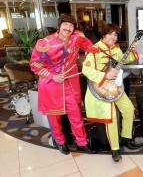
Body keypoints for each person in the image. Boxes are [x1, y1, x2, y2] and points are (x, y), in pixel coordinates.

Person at [30, 13, 95, 155]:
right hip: (51, 86)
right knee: (54, 118)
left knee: (76, 115)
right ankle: (59, 142)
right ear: (59, 26)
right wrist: (53, 76)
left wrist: (87, 62)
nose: (68, 28)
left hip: (70, 83)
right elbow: (35, 65)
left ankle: (81, 142)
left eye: (71, 25)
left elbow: (90, 48)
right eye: (65, 24)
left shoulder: (77, 38)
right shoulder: (44, 44)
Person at [82, 23, 139, 162]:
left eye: (115, 35)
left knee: (129, 109)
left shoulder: (116, 48)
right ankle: (115, 149)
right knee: (111, 117)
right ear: (104, 34)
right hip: (101, 88)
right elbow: (86, 70)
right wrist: (104, 76)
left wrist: (132, 50)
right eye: (110, 34)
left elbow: (124, 59)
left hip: (115, 87)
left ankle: (126, 138)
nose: (113, 37)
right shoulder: (94, 50)